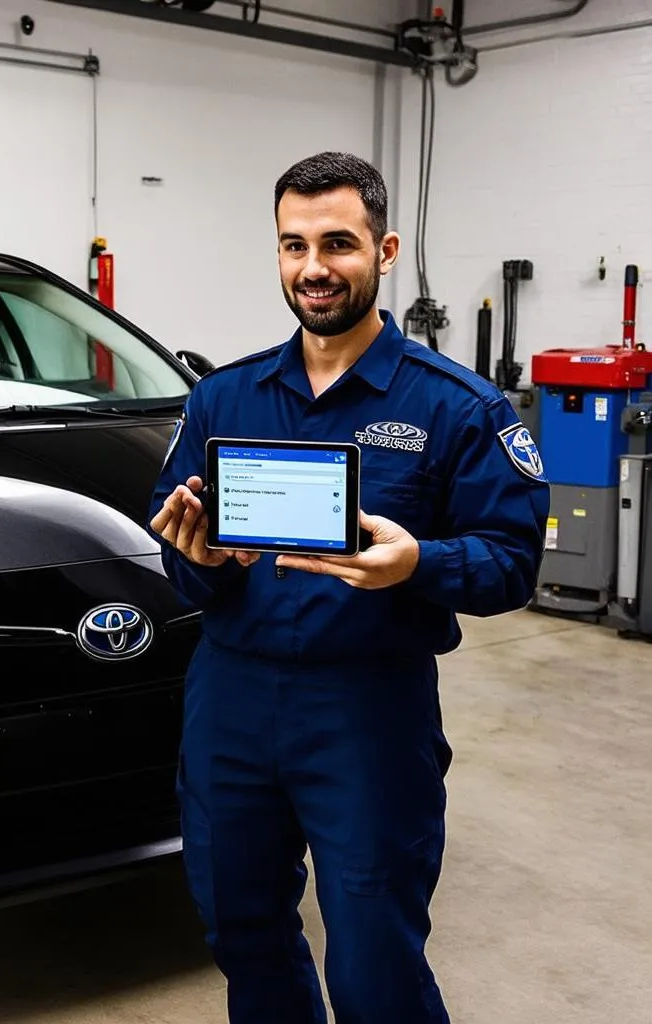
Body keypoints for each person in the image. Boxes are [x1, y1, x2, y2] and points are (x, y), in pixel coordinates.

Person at [147, 151, 550, 1024]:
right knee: (242, 933)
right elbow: (178, 544)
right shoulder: (224, 396)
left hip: (369, 711)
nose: (314, 268)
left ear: (386, 249)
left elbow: (513, 562)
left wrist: (421, 564)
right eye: (294, 246)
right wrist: (199, 558)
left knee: (373, 964)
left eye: (337, 242)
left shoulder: (461, 409)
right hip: (232, 702)